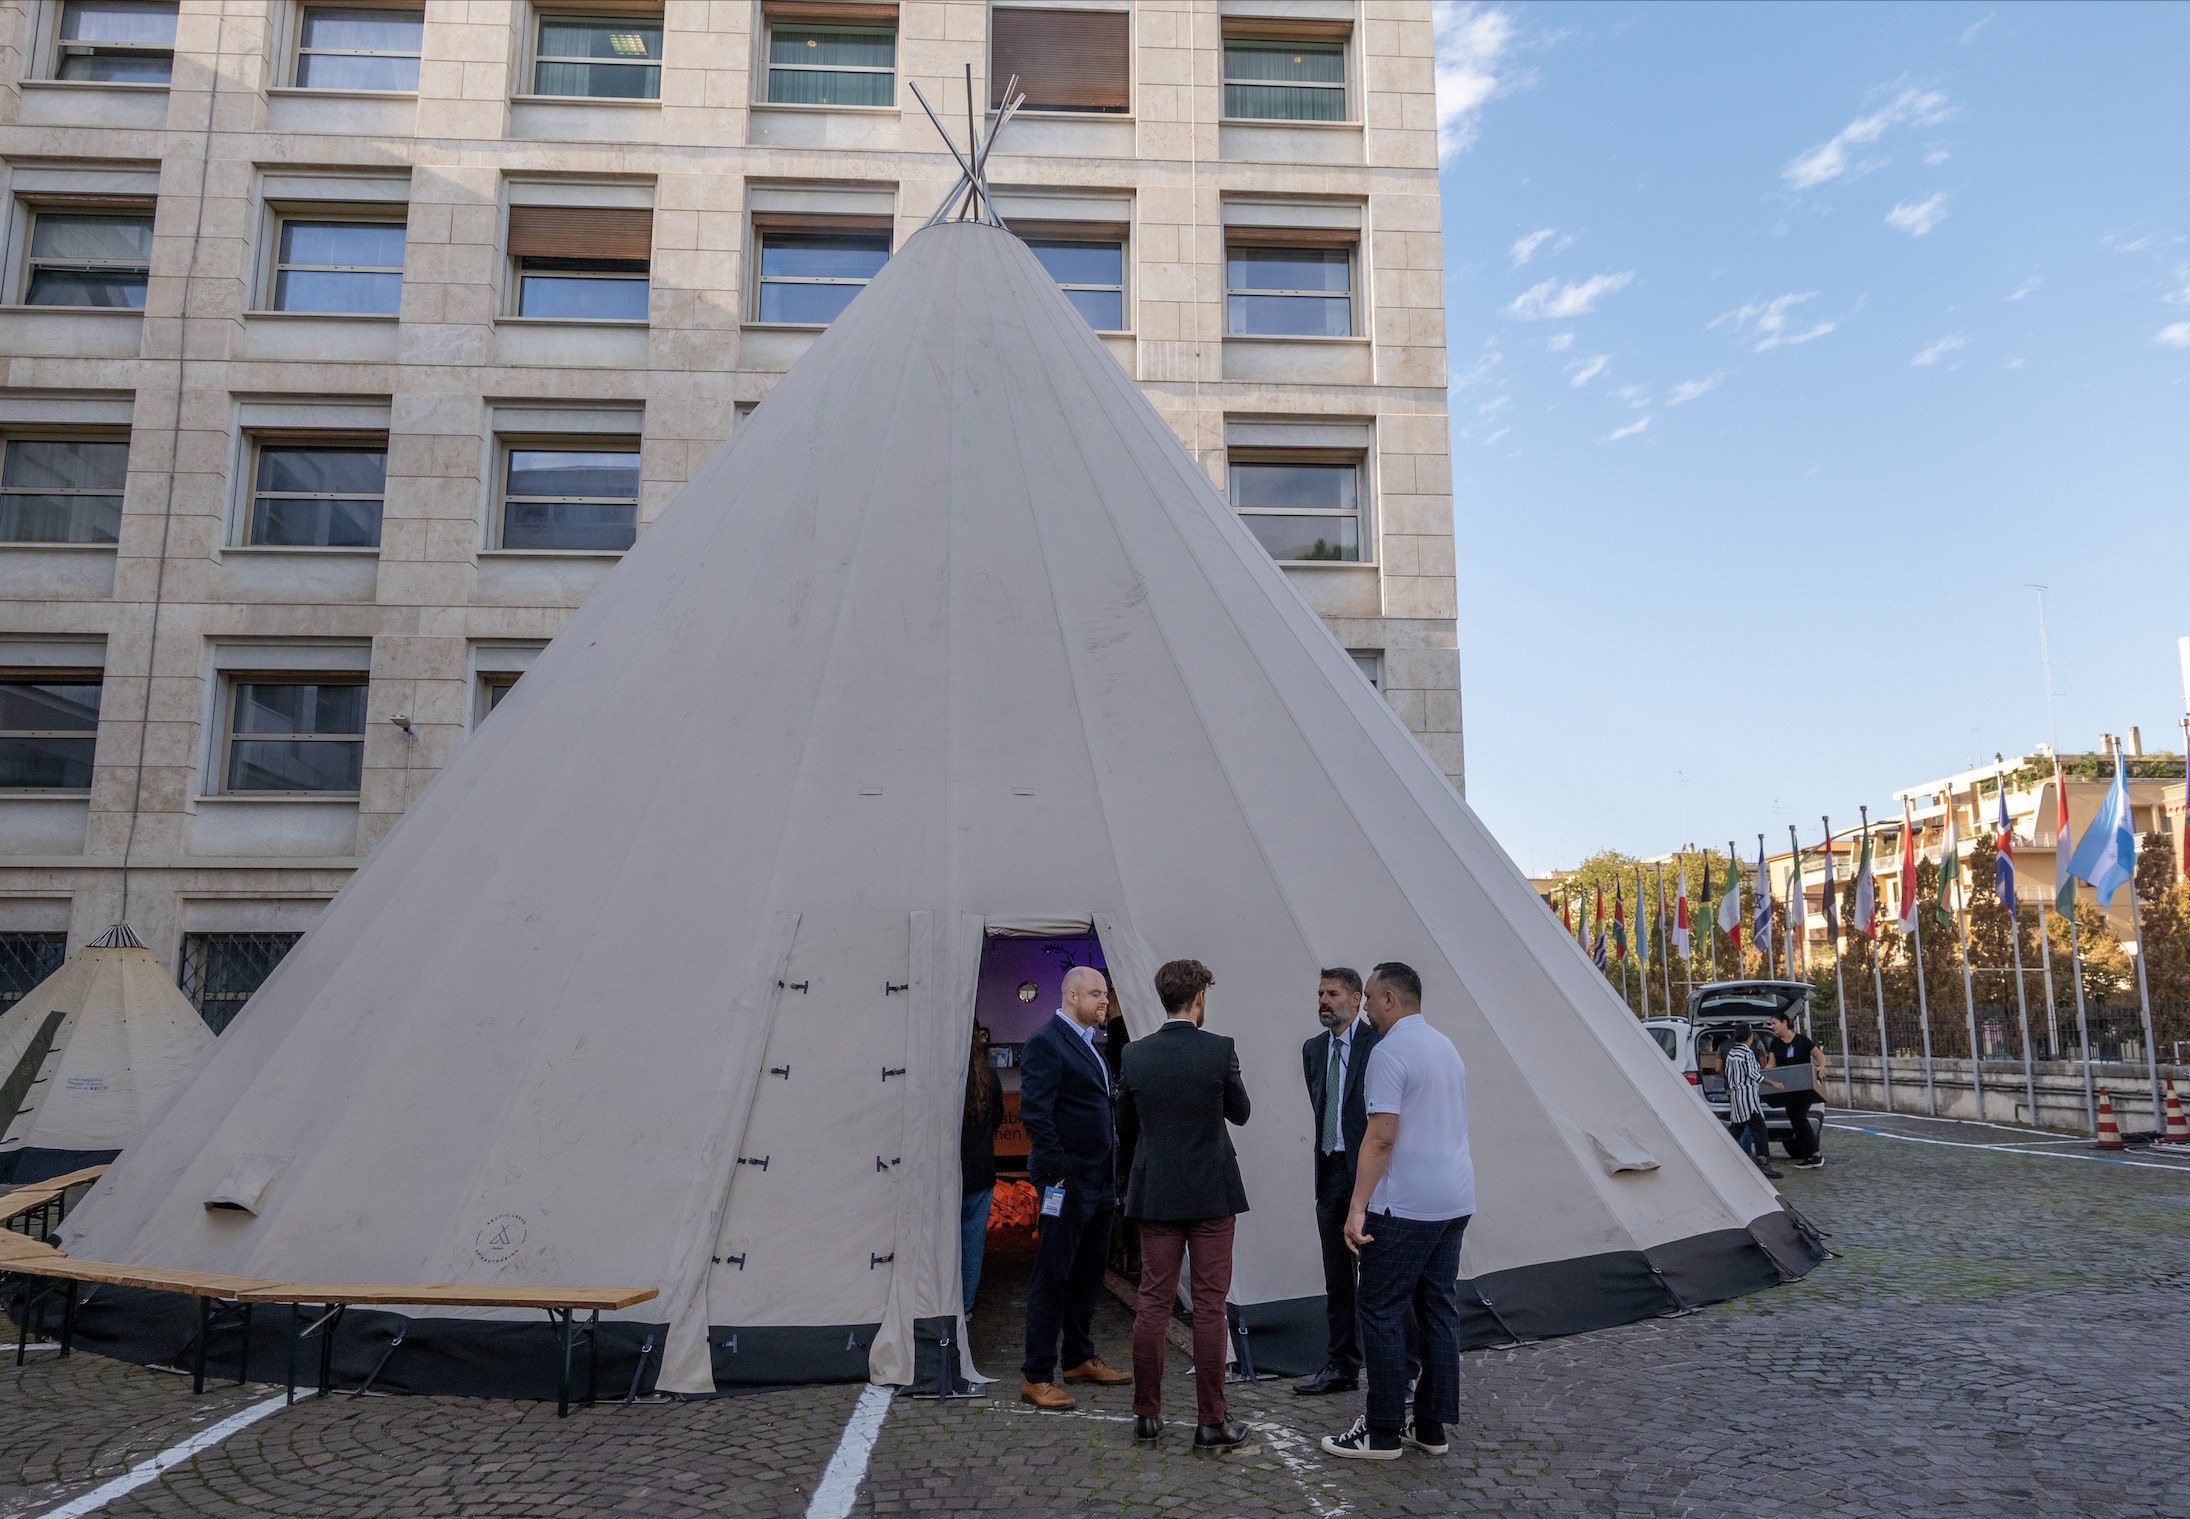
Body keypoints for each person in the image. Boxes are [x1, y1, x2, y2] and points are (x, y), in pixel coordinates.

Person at [1321, 963, 1474, 1463]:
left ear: (1389, 998)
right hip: (1454, 1199)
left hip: (1404, 1203)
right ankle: (1430, 1426)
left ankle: (1382, 1430)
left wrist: (1357, 1206)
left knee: (1381, 1310)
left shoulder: (1388, 1052)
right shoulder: (1446, 1046)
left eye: (1367, 996)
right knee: (1438, 1310)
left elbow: (1381, 1135)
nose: (1364, 1005)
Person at [1116, 959, 1253, 1450]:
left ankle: (1147, 1414)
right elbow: (1240, 1112)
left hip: (1156, 1191)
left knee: (1153, 1302)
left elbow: (1125, 1128)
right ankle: (1211, 1420)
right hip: (1211, 1191)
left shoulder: (1135, 1055)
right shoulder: (1219, 1050)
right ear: (1199, 999)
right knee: (1210, 1307)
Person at [1018, 965, 1132, 1409]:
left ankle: (1079, 1357)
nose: (1105, 1001)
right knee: (1052, 1275)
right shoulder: (1047, 1042)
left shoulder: (1090, 1046)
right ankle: (1036, 1374)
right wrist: (1060, 1172)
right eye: (1097, 994)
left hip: (1099, 1182)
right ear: (1070, 997)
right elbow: (1036, 1115)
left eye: (1105, 994)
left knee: (1087, 1275)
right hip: (1066, 1184)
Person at [1294, 967, 1382, 1396]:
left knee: (1381, 1272)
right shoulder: (1313, 1050)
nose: (1323, 1001)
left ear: (1356, 998)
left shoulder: (1378, 1045)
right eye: (1320, 994)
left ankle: (1401, 1368)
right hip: (1329, 1171)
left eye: (1331, 993)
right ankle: (1342, 1366)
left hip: (1369, 1175)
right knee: (1337, 1275)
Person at [961, 1022, 1006, 1317]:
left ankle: (941, 1305)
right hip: (980, 1170)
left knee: (943, 1245)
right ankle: (965, 1306)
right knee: (972, 1245)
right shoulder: (989, 1077)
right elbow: (998, 1120)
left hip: (948, 1173)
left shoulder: (941, 1077)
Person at [1721, 1023, 1785, 1180]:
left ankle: (1720, 1154)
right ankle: (1763, 1162)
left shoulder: (1731, 1053)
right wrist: (1774, 1084)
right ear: (1750, 1037)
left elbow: (1728, 1075)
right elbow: (1754, 1075)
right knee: (1760, 1129)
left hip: (1736, 1097)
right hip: (1748, 1097)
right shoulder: (1747, 1054)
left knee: (1736, 1128)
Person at [1764, 1009, 1825, 1169]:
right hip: (1787, 1089)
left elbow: (1819, 1055)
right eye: (1771, 1024)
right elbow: (1772, 1063)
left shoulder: (1802, 1041)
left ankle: (1816, 1154)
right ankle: (1807, 1156)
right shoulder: (1775, 1043)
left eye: (1774, 1023)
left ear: (1785, 1023)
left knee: (1799, 1116)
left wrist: (1822, 1067)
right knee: (1794, 1118)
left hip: (1804, 1087)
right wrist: (1763, 1074)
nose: (1773, 1027)